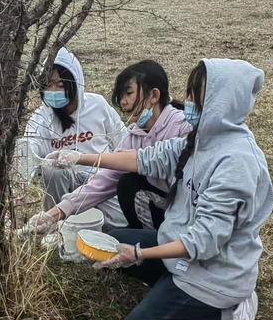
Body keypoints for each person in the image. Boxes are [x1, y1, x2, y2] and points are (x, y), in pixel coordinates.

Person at [47, 59, 273, 320]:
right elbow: (143, 158)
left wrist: (141, 253)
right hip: (181, 251)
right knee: (111, 242)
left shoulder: (235, 162)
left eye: (195, 96)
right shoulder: (200, 139)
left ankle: (225, 312)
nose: (187, 102)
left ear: (222, 102)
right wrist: (80, 158)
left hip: (213, 273)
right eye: (188, 94)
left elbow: (203, 241)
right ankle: (170, 284)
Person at [28, 60, 191, 236]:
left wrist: (80, 158)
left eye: (128, 93)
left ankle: (157, 243)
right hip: (161, 210)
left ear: (154, 95)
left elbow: (147, 159)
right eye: (121, 96)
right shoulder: (134, 135)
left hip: (186, 217)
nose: (124, 103)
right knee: (119, 233)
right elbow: (104, 181)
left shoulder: (182, 126)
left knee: (127, 184)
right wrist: (54, 213)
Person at [24, 47, 128, 231]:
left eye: (60, 84)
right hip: (65, 184)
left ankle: (83, 224)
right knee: (53, 168)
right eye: (48, 84)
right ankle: (54, 224)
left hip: (100, 182)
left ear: (75, 83)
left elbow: (124, 142)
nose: (53, 90)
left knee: (119, 222)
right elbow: (28, 152)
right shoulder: (41, 118)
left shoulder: (98, 106)